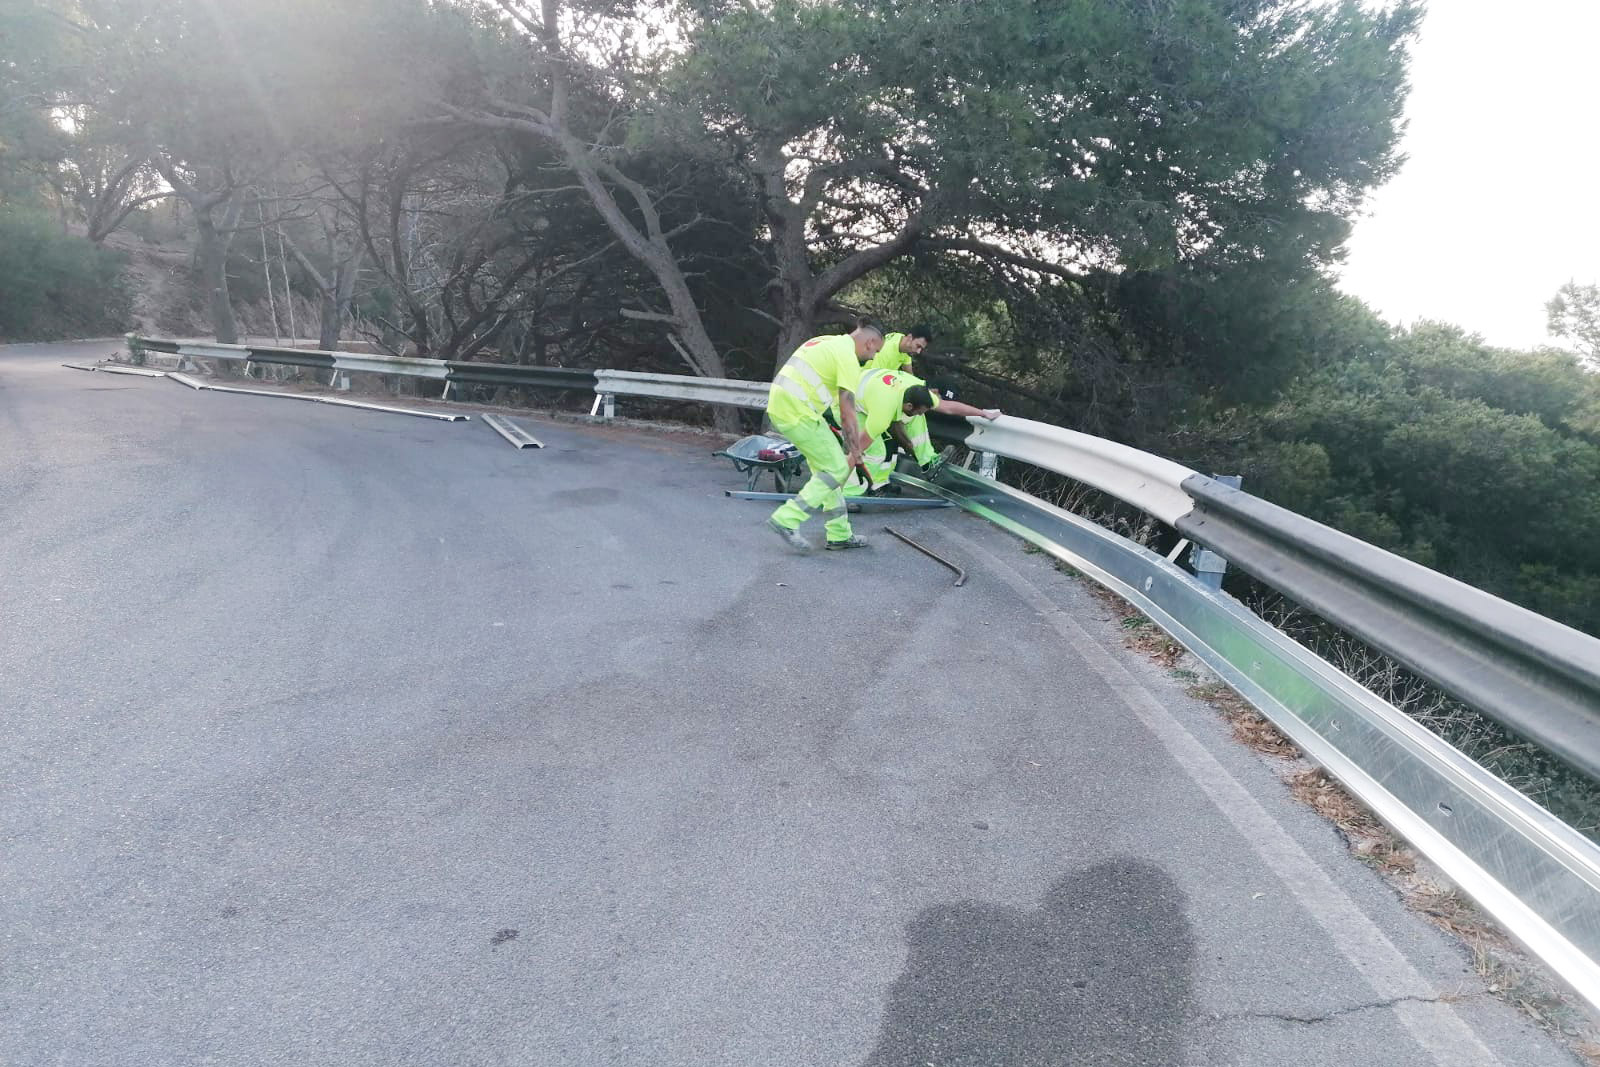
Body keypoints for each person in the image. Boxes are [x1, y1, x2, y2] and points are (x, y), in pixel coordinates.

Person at [764, 323, 884, 552]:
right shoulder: (847, 357)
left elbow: (838, 407)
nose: (872, 358)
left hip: (783, 406)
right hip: (799, 411)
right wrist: (856, 451)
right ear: (870, 343)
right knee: (837, 469)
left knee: (827, 472)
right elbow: (848, 412)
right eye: (875, 352)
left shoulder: (827, 341)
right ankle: (787, 519)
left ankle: (839, 534)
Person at [840, 367, 1001, 497]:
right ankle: (849, 493)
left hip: (874, 389)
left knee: (916, 419)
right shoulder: (882, 414)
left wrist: (982, 413)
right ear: (909, 406)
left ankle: (926, 463)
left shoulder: (921, 393)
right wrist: (834, 489)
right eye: (917, 410)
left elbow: (949, 407)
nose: (920, 413)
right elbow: (856, 451)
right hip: (850, 402)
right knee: (876, 451)